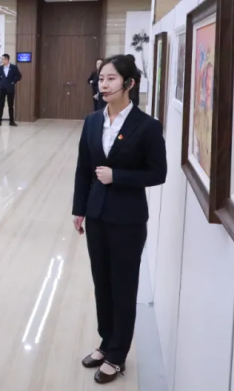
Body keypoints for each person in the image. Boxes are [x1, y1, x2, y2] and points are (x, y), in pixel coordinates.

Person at [72, 54, 167, 384]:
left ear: (129, 83)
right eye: (101, 79)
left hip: (127, 219)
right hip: (97, 214)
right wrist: (79, 209)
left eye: (111, 78)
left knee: (123, 287)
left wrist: (118, 176)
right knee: (102, 283)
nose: (104, 84)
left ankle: (117, 354)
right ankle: (106, 341)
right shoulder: (92, 121)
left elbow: (158, 173)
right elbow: (83, 169)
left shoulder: (147, 126)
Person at [0, 53, 22, 126]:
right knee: (1, 105)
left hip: (10, 88)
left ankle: (11, 121)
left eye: (3, 59)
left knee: (10, 105)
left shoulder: (13, 67)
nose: (2, 61)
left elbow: (19, 76)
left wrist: (13, 82)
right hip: (2, 88)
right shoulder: (1, 68)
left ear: (7, 60)